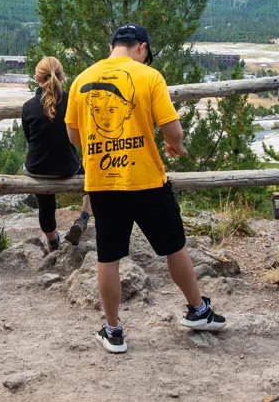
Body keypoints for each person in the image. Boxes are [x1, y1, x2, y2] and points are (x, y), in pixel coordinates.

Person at [65, 24, 226, 354]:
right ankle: (197, 311)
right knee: (174, 247)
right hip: (148, 180)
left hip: (103, 184)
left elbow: (73, 136)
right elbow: (173, 129)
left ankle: (113, 330)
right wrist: (175, 146)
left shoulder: (81, 80)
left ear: (113, 46)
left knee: (108, 258)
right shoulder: (149, 76)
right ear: (141, 48)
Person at [22, 56, 92, 251]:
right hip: (66, 167)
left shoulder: (28, 107)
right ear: (62, 77)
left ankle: (52, 240)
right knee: (93, 177)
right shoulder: (73, 101)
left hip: (37, 167)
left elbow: (30, 139)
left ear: (38, 78)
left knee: (45, 203)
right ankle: (83, 218)